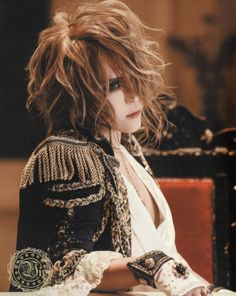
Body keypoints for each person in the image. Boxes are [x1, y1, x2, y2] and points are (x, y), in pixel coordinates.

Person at [8, 1, 234, 295]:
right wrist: (152, 265)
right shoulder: (64, 154)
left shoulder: (126, 148)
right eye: (114, 85)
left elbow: (166, 258)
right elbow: (57, 270)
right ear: (78, 93)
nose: (134, 93)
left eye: (132, 76)